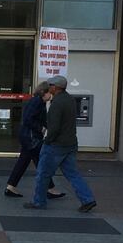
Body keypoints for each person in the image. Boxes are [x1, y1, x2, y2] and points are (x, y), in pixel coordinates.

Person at [24, 75, 97, 212]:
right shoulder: (69, 99)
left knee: (43, 173)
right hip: (70, 144)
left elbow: (54, 127)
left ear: (55, 88)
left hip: (55, 145)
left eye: (50, 85)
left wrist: (47, 141)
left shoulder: (57, 103)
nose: (48, 87)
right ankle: (88, 199)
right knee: (73, 174)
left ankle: (39, 201)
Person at [4, 81, 65, 199]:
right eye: (49, 93)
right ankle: (49, 189)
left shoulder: (38, 102)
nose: (50, 95)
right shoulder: (37, 102)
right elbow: (28, 119)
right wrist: (41, 128)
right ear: (43, 92)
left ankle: (11, 186)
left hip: (28, 138)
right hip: (31, 138)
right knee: (41, 162)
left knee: (25, 161)